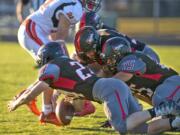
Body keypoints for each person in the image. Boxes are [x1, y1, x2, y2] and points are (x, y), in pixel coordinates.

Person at [8, 42, 180, 134]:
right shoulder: (67, 65)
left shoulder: (53, 66)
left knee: (121, 127)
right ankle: (174, 123)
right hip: (111, 88)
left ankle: (159, 110)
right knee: (139, 130)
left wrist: (20, 102)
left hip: (109, 91)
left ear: (47, 58)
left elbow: (38, 88)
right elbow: (70, 95)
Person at [17, 0, 102, 125]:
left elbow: (55, 36)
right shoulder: (75, 6)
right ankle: (47, 111)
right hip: (32, 31)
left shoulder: (70, 3)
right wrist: (67, 64)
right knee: (55, 65)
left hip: (32, 29)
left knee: (55, 66)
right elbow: (60, 39)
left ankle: (34, 96)